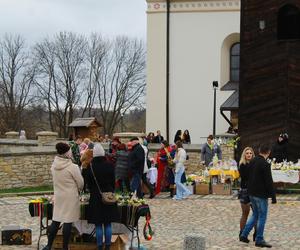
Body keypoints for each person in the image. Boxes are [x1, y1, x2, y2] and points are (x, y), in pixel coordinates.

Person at [42, 142, 84, 250]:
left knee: (56, 221)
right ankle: (65, 247)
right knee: (68, 221)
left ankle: (48, 245)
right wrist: (78, 189)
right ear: (67, 153)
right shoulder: (73, 167)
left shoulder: (54, 166)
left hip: (59, 195)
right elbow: (80, 183)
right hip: (70, 196)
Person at [240, 144, 276, 248]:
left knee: (255, 214)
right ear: (268, 152)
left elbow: (248, 177)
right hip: (261, 195)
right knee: (262, 216)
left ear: (259, 151)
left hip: (251, 193)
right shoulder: (265, 164)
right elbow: (269, 182)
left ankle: (244, 234)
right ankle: (259, 239)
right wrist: (273, 197)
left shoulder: (253, 161)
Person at [86, 143, 119, 250]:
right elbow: (113, 182)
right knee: (108, 223)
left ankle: (100, 246)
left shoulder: (90, 166)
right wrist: (110, 191)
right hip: (108, 196)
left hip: (96, 196)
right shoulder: (109, 165)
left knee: (98, 224)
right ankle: (108, 246)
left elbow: (89, 184)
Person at [238, 147, 255, 237]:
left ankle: (256, 234)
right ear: (244, 155)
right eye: (247, 153)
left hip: (254, 191)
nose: (249, 155)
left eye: (250, 153)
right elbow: (246, 177)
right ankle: (242, 232)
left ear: (252, 154)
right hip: (245, 190)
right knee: (245, 213)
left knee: (256, 213)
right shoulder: (242, 165)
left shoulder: (255, 163)